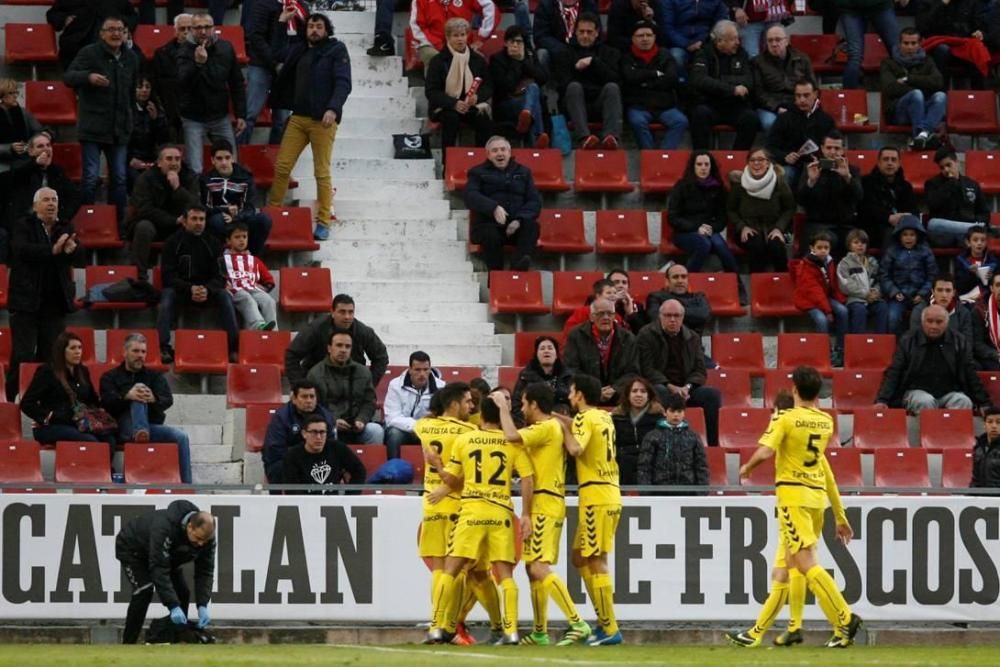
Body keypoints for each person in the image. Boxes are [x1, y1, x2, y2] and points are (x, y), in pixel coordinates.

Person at [727, 365, 861, 649]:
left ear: (795, 390)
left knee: (804, 563)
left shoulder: (786, 419)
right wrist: (839, 515)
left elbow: (766, 450)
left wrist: (747, 467)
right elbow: (828, 476)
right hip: (815, 500)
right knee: (788, 567)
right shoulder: (826, 421)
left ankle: (844, 616)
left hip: (793, 497)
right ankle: (769, 630)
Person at [428, 395, 534, 645]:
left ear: (481, 415)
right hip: (500, 512)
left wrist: (437, 465)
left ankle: (436, 626)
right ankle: (510, 631)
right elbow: (528, 479)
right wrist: (527, 513)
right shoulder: (513, 444)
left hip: (472, 510)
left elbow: (453, 482)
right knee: (504, 573)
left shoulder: (465, 440)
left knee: (451, 569)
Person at [495, 384, 592, 645]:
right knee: (532, 568)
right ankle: (540, 632)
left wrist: (503, 407)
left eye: (524, 403)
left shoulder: (545, 428)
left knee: (539, 566)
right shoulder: (552, 426)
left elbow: (512, 436)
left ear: (535, 405)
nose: (522, 408)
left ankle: (577, 622)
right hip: (546, 501)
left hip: (545, 503)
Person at [415, 383, 504, 646]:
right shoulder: (468, 432)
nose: (471, 406)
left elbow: (425, 438)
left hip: (431, 506)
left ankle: (437, 625)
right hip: (459, 506)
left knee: (440, 569)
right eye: (466, 401)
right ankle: (450, 626)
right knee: (464, 571)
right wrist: (447, 485)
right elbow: (464, 473)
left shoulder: (424, 426)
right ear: (453, 404)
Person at [268, 12, 352, 240]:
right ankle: (272, 214)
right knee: (283, 166)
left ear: (327, 30)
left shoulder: (336, 50)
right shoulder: (299, 48)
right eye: (311, 26)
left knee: (321, 172)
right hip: (298, 118)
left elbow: (344, 83)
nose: (314, 29)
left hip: (323, 121)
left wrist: (333, 108)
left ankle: (324, 221)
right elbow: (276, 52)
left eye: (319, 26)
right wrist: (281, 23)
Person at [557, 373, 623, 645]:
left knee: (595, 559)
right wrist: (556, 417)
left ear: (580, 395)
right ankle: (603, 623)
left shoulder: (586, 418)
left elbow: (576, 448)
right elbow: (578, 426)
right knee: (579, 557)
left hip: (597, 494)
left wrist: (560, 431)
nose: (570, 397)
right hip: (605, 492)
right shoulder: (603, 416)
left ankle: (610, 629)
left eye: (572, 392)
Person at [63, 15, 139, 227]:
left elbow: (132, 93)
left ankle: (117, 224)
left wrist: (131, 121)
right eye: (111, 29)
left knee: (120, 179)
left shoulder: (131, 58)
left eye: (120, 29)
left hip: (120, 128)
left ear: (125, 33)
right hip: (93, 128)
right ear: (102, 33)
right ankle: (87, 222)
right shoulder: (89, 53)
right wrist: (88, 77)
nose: (116, 33)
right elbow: (68, 77)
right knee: (90, 178)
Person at [5, 188, 81, 402]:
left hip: (54, 304)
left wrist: (72, 250)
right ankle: (9, 400)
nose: (51, 204)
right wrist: (52, 251)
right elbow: (21, 250)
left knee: (51, 357)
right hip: (25, 302)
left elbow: (78, 258)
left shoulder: (66, 227)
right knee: (22, 355)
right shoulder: (23, 225)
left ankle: (37, 400)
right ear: (36, 204)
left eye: (54, 200)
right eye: (46, 200)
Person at [115, 500, 215, 644]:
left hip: (167, 557)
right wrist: (172, 606)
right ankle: (128, 643)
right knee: (144, 590)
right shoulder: (164, 528)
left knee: (183, 594)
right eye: (198, 539)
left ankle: (172, 638)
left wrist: (202, 604)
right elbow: (159, 568)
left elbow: (205, 571)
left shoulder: (207, 538)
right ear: (189, 527)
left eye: (204, 541)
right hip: (133, 549)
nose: (200, 544)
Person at [99, 332, 192, 482]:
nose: (140, 355)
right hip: (121, 428)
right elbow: (106, 402)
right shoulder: (110, 377)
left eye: (143, 351)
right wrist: (127, 396)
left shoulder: (154, 376)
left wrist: (153, 398)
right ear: (125, 352)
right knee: (138, 392)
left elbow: (167, 400)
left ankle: (187, 486)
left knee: (181, 437)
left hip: (150, 428)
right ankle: (139, 431)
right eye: (135, 351)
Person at [157, 205, 240, 363]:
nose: (198, 223)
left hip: (207, 292)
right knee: (166, 296)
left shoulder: (214, 244)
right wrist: (190, 289)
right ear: (184, 221)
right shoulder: (172, 243)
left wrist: (207, 289)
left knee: (225, 296)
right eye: (194, 219)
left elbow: (222, 276)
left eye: (201, 219)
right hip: (181, 292)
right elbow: (167, 277)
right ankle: (163, 348)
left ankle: (233, 348)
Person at [876, 304, 991, 413]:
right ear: (922, 322)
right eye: (929, 321)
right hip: (916, 391)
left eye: (939, 322)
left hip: (950, 392)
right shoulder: (908, 341)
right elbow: (895, 371)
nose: (933, 326)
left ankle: (954, 434)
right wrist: (882, 400)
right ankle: (928, 434)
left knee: (963, 401)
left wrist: (983, 402)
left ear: (947, 323)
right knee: (924, 401)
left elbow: (969, 372)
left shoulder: (959, 341)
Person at [636, 299, 722, 446]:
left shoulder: (692, 337)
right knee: (660, 391)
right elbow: (647, 369)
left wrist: (687, 387)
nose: (673, 319)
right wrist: (670, 386)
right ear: (660, 316)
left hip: (685, 389)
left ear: (682, 317)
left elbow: (700, 370)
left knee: (712, 395)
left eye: (677, 316)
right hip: (660, 386)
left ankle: (711, 445)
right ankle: (664, 442)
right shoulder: (646, 334)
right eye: (668, 315)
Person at [176, 13, 246, 175]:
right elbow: (182, 83)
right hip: (193, 116)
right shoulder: (183, 50)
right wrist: (198, 65)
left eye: (207, 27)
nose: (203, 31)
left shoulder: (226, 48)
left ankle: (230, 198)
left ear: (214, 28)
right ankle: (198, 200)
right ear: (192, 30)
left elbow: (236, 82)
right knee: (195, 168)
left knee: (231, 164)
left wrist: (240, 114)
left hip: (219, 115)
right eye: (198, 27)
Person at [464, 135, 541, 272]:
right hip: (488, 224)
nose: (499, 153)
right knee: (490, 234)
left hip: (515, 225)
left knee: (531, 226)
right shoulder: (477, 172)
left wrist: (519, 219)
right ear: (488, 155)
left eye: (503, 149)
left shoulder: (524, 172)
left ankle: (517, 267)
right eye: (494, 151)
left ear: (509, 153)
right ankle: (496, 275)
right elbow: (470, 195)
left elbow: (534, 201)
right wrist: (493, 208)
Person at [21, 331, 110, 446]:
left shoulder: (83, 371)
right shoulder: (47, 372)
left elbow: (92, 399)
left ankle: (105, 465)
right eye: (73, 348)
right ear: (62, 351)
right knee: (90, 441)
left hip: (78, 422)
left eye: (80, 347)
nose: (78, 352)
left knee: (109, 438)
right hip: (50, 426)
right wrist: (50, 416)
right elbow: (27, 403)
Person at [425, 18, 494, 162]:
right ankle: (448, 164)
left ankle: (483, 162)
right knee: (451, 118)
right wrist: (453, 103)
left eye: (463, 34)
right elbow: (431, 91)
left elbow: (488, 85)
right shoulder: (438, 61)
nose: (460, 39)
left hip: (471, 105)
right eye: (456, 35)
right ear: (448, 37)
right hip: (445, 107)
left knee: (484, 120)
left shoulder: (477, 60)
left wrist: (478, 97)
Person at [129, 144, 202, 277]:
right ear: (159, 163)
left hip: (181, 225)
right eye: (169, 159)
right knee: (143, 227)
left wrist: (177, 188)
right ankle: (139, 275)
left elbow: (195, 205)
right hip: (156, 224)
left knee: (197, 225)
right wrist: (173, 220)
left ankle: (192, 275)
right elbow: (144, 209)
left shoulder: (189, 176)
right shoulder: (146, 179)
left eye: (177, 159)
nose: (174, 163)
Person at [554, 13, 623, 151]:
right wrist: (577, 69)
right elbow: (561, 86)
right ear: (575, 32)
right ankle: (584, 138)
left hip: (600, 104)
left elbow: (616, 80)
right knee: (573, 87)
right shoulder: (563, 53)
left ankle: (611, 138)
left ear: (597, 33)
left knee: (612, 88)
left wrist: (594, 63)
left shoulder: (610, 53)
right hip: (573, 105)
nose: (585, 36)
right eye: (581, 32)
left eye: (589, 32)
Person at [284, 294, 389, 385]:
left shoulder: (364, 332)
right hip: (319, 384)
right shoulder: (315, 329)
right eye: (342, 312)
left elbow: (381, 357)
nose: (347, 317)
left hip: (352, 385)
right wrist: (300, 386)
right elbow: (292, 355)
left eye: (350, 312)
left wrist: (368, 384)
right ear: (332, 312)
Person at [688, 20, 760, 151]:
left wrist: (720, 80)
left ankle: (736, 160)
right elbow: (699, 80)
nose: (737, 42)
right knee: (699, 114)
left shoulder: (742, 54)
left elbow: (749, 81)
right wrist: (731, 89)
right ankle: (702, 157)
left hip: (735, 105)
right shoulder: (704, 53)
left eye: (737, 38)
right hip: (710, 104)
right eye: (733, 39)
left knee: (751, 119)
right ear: (720, 41)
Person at [667, 151, 740, 275]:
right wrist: (696, 227)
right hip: (684, 232)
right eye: (699, 164)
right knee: (704, 244)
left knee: (721, 246)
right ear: (693, 166)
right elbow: (673, 217)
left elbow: (722, 217)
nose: (703, 168)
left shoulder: (718, 188)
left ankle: (736, 284)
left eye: (707, 164)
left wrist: (712, 227)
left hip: (709, 230)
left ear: (711, 167)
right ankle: (688, 280)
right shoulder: (682, 186)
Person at [306, 331, 384, 445]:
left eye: (347, 346)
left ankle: (372, 463)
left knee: (376, 431)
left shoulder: (363, 372)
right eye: (339, 345)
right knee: (329, 431)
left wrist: (361, 420)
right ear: (329, 348)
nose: (343, 350)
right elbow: (315, 406)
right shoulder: (315, 374)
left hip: (357, 425)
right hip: (330, 425)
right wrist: (332, 420)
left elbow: (369, 402)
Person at [621, 20, 688, 150]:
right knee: (637, 122)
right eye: (640, 36)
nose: (645, 39)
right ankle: (649, 156)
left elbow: (671, 79)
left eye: (649, 35)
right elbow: (629, 78)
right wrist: (655, 74)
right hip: (638, 105)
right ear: (633, 39)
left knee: (681, 121)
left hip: (664, 105)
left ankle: (663, 157)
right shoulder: (626, 57)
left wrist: (644, 81)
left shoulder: (665, 55)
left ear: (654, 37)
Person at [880, 27, 947, 151]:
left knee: (941, 96)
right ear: (899, 44)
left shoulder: (927, 61)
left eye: (913, 43)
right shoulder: (888, 63)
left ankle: (922, 134)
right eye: (906, 43)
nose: (910, 47)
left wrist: (908, 79)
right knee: (916, 94)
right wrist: (922, 86)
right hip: (899, 112)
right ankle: (920, 136)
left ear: (919, 44)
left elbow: (938, 82)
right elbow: (889, 88)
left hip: (923, 108)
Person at [727, 147, 794, 272]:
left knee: (776, 246)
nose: (756, 163)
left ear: (768, 163)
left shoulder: (779, 183)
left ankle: (783, 282)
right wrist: (742, 226)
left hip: (775, 227)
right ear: (748, 163)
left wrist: (779, 228)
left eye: (761, 160)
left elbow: (789, 208)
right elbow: (731, 210)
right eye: (752, 160)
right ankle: (756, 283)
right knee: (756, 245)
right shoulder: (740, 184)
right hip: (748, 228)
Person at [796, 130, 862, 256]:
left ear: (843, 150)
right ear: (822, 148)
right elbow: (800, 200)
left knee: (858, 242)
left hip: (845, 225)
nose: (832, 152)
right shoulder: (811, 168)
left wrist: (847, 177)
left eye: (837, 148)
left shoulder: (852, 171)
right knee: (827, 240)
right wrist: (811, 181)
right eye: (829, 148)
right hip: (817, 225)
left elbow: (859, 197)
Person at [563, 297, 640, 406]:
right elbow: (571, 369)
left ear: (614, 316)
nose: (606, 317)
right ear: (591, 317)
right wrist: (594, 389)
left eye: (609, 313)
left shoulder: (628, 338)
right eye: (600, 314)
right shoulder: (576, 335)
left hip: (619, 395)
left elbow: (633, 371)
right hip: (585, 394)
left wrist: (615, 389)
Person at [202, 139, 273, 256]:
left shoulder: (245, 177)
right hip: (219, 220)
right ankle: (220, 260)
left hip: (241, 219)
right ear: (212, 160)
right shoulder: (206, 179)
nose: (224, 162)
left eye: (227, 158)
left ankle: (251, 258)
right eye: (219, 159)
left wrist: (236, 218)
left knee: (264, 219)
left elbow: (250, 207)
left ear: (233, 158)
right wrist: (224, 210)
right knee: (216, 221)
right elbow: (205, 207)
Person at [242, 0, 297, 145]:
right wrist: (274, 63)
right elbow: (256, 37)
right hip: (261, 64)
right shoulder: (262, 4)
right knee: (250, 114)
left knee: (282, 120)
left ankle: (275, 160)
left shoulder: (300, 6)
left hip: (285, 68)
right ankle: (237, 158)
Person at [262, 379, 337, 484]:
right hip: (287, 461)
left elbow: (331, 447)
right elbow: (275, 450)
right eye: (304, 397)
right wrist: (302, 460)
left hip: (318, 462)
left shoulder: (326, 417)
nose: (309, 401)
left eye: (312, 397)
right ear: (294, 399)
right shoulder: (281, 418)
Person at [791, 231, 849, 366]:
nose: (823, 251)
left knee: (843, 311)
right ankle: (825, 353)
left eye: (826, 248)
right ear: (812, 248)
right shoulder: (806, 265)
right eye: (819, 247)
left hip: (824, 297)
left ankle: (841, 350)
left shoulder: (829, 262)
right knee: (821, 319)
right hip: (808, 300)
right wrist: (828, 311)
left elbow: (833, 285)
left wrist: (841, 300)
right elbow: (814, 291)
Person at [765, 79, 834, 187]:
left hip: (818, 165)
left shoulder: (826, 120)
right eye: (798, 96)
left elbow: (834, 148)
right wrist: (784, 157)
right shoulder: (784, 119)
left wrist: (820, 159)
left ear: (815, 94)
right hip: (790, 165)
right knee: (784, 175)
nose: (802, 100)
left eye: (806, 95)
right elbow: (769, 147)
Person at [636, 393, 709, 494]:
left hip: (687, 491)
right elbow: (645, 466)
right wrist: (646, 493)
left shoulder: (693, 437)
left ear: (684, 413)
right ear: (665, 412)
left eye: (679, 411)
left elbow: (701, 465)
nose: (676, 415)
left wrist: (702, 492)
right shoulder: (652, 436)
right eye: (672, 411)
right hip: (660, 491)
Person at [490, 26, 549, 148]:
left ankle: (527, 114)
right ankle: (539, 136)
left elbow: (542, 79)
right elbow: (505, 87)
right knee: (534, 99)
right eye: (512, 41)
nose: (515, 45)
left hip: (528, 103)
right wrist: (516, 62)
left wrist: (523, 61)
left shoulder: (530, 57)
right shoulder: (497, 59)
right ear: (506, 43)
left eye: (519, 41)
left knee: (533, 90)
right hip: (507, 103)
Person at [750, 24, 815, 133]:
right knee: (770, 123)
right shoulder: (757, 62)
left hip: (798, 103)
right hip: (770, 107)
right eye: (770, 41)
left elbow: (813, 86)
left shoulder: (802, 59)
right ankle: (775, 149)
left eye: (778, 40)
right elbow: (758, 93)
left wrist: (800, 105)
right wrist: (776, 108)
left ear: (786, 41)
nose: (774, 44)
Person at [878, 214, 937, 334]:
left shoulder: (925, 252)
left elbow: (932, 275)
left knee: (919, 317)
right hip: (898, 296)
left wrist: (922, 294)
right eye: (905, 235)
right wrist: (894, 292)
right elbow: (884, 274)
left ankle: (916, 348)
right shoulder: (892, 251)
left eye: (912, 235)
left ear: (918, 236)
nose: (908, 238)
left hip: (920, 296)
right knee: (892, 318)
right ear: (899, 236)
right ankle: (896, 347)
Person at [281, 413, 367, 493]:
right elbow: (291, 490)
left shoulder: (337, 448)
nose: (318, 437)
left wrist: (349, 497)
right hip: (305, 505)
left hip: (333, 504)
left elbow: (359, 470)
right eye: (314, 432)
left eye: (322, 432)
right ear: (304, 434)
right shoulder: (292, 456)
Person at [7, 133, 81, 225]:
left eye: (48, 145)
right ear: (30, 152)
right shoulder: (21, 169)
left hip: (52, 223)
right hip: (26, 224)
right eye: (40, 146)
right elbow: (16, 174)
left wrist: (61, 218)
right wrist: (35, 163)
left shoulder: (57, 171)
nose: (45, 149)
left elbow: (74, 196)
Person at [925, 146, 991, 248]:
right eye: (942, 168)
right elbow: (933, 206)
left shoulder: (972, 184)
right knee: (933, 224)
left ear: (957, 162)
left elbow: (984, 212)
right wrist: (949, 186)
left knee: (972, 235)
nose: (946, 170)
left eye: (948, 165)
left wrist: (975, 221)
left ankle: (969, 230)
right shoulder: (932, 184)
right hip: (943, 233)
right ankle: (972, 229)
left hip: (966, 235)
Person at [384, 352, 445, 460]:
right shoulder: (395, 385)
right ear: (410, 370)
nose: (422, 374)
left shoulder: (441, 387)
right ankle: (393, 469)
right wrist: (418, 425)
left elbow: (444, 417)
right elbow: (391, 418)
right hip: (404, 431)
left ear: (430, 369)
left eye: (426, 370)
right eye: (417, 370)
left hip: (429, 431)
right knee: (394, 434)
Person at [858, 145, 918, 251]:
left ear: (899, 163)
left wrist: (905, 217)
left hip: (902, 227)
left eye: (893, 160)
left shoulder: (905, 186)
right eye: (886, 159)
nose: (890, 163)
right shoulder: (866, 182)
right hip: (875, 228)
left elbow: (913, 210)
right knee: (890, 233)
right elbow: (867, 209)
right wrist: (888, 218)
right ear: (879, 163)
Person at [47, 0, 138, 70]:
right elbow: (52, 14)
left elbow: (132, 16)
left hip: (111, 41)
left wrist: (124, 27)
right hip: (77, 43)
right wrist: (65, 19)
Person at [409, 0, 499, 68]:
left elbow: (490, 8)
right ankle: (435, 91)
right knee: (434, 58)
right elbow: (416, 26)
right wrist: (441, 47)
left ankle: (473, 92)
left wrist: (481, 37)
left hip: (461, 42)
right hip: (430, 44)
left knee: (478, 60)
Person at [222, 222, 277, 331]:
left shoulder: (254, 260)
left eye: (244, 237)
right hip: (235, 290)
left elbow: (269, 279)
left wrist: (265, 287)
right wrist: (223, 284)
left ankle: (274, 332)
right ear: (228, 241)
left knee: (269, 301)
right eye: (237, 237)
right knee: (247, 298)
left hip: (252, 288)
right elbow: (217, 275)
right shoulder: (223, 259)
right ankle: (258, 326)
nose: (241, 240)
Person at [612, 376, 665, 485]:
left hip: (650, 463)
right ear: (628, 395)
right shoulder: (617, 417)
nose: (638, 395)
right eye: (634, 391)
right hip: (623, 464)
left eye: (643, 391)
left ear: (649, 396)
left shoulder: (659, 418)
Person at [149, 14, 194, 142]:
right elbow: (155, 83)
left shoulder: (203, 53)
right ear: (175, 31)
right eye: (182, 29)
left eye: (189, 29)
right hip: (169, 109)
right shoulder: (161, 54)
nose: (186, 32)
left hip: (194, 112)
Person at [839, 0, 902, 90]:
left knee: (899, 52)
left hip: (880, 5)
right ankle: (850, 99)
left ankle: (906, 93)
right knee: (855, 56)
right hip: (850, 8)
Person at [837, 228, 889, 334]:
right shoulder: (844, 263)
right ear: (849, 245)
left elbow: (878, 280)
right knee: (860, 310)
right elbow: (846, 285)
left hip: (872, 300)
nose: (860, 245)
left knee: (882, 307)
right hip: (854, 300)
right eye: (856, 242)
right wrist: (865, 295)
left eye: (863, 243)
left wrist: (876, 293)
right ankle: (857, 344)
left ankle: (880, 342)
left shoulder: (872, 262)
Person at [512, 335, 574, 423]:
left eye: (550, 348)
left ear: (556, 354)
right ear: (536, 355)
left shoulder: (567, 375)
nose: (546, 351)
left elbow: (574, 403)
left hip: (561, 421)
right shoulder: (526, 375)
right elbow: (516, 404)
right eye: (542, 348)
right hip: (533, 423)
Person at [645, 263, 715, 339]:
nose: (680, 281)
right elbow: (657, 320)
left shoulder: (699, 297)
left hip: (692, 346)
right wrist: (693, 317)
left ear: (688, 280)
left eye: (683, 277)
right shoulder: (655, 297)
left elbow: (704, 316)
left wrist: (670, 313)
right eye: (675, 277)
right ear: (667, 281)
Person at [127, 77, 170, 191]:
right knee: (139, 181)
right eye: (140, 87)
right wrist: (130, 159)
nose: (144, 90)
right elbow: (121, 140)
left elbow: (164, 141)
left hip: (152, 159)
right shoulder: (126, 110)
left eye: (147, 87)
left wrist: (156, 120)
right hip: (131, 160)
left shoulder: (157, 110)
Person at [662, 0, 729, 73]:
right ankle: (682, 82)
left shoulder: (716, 2)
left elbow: (721, 24)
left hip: (706, 41)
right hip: (680, 44)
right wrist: (687, 44)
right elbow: (667, 28)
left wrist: (704, 41)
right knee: (676, 56)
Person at [533, 0, 599, 70]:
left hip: (582, 50)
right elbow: (540, 36)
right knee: (542, 53)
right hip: (556, 52)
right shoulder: (545, 6)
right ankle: (546, 80)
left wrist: (575, 48)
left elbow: (596, 33)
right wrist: (563, 49)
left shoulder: (589, 5)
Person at [955, 225, 1000, 304]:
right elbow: (959, 286)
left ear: (986, 243)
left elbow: (996, 284)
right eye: (975, 240)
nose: (979, 243)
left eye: (982, 240)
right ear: (968, 242)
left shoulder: (993, 262)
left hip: (987, 299)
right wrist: (971, 274)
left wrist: (991, 278)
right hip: (967, 299)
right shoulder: (961, 261)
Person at [973, 272, 1000, 371]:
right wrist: (996, 355)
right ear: (991, 288)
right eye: (998, 285)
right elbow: (977, 343)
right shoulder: (980, 310)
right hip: (991, 356)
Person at [971, 407, 1000, 488]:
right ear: (984, 425)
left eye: (998, 422)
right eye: (990, 422)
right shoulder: (978, 448)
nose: (994, 426)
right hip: (981, 498)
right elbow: (975, 479)